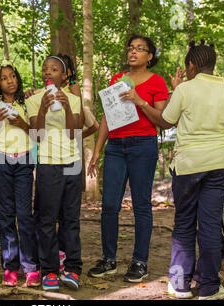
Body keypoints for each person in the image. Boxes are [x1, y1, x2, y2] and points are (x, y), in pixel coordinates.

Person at [158, 40, 224, 299]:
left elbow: (165, 121)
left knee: (184, 223)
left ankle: (180, 284)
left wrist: (175, 91)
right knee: (209, 226)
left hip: (188, 166)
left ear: (191, 65)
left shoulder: (185, 90)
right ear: (213, 65)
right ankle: (209, 287)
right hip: (219, 165)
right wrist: (223, 155)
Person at [87, 35, 169, 282]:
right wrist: (98, 150)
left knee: (141, 205)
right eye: (131, 47)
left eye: (140, 49)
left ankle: (139, 262)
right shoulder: (116, 80)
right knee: (109, 205)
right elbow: (106, 118)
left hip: (143, 146)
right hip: (115, 147)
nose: (133, 52)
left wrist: (139, 100)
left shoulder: (157, 82)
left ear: (149, 56)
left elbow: (161, 120)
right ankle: (108, 259)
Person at [0, 59, 40, 287]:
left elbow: (38, 136)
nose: (10, 81)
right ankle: (10, 267)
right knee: (6, 215)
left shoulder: (27, 103)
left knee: (24, 215)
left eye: (13, 76)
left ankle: (31, 268)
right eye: (4, 78)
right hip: (0, 160)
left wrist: (22, 123)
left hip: (24, 161)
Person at [26, 55, 82, 291]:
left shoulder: (73, 99)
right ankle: (49, 270)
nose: (48, 72)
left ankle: (72, 268)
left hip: (72, 163)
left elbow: (74, 133)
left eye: (54, 69)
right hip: (48, 162)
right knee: (47, 220)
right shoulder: (34, 99)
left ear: (64, 75)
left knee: (70, 219)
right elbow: (36, 135)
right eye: (45, 69)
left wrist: (68, 107)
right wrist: (42, 108)